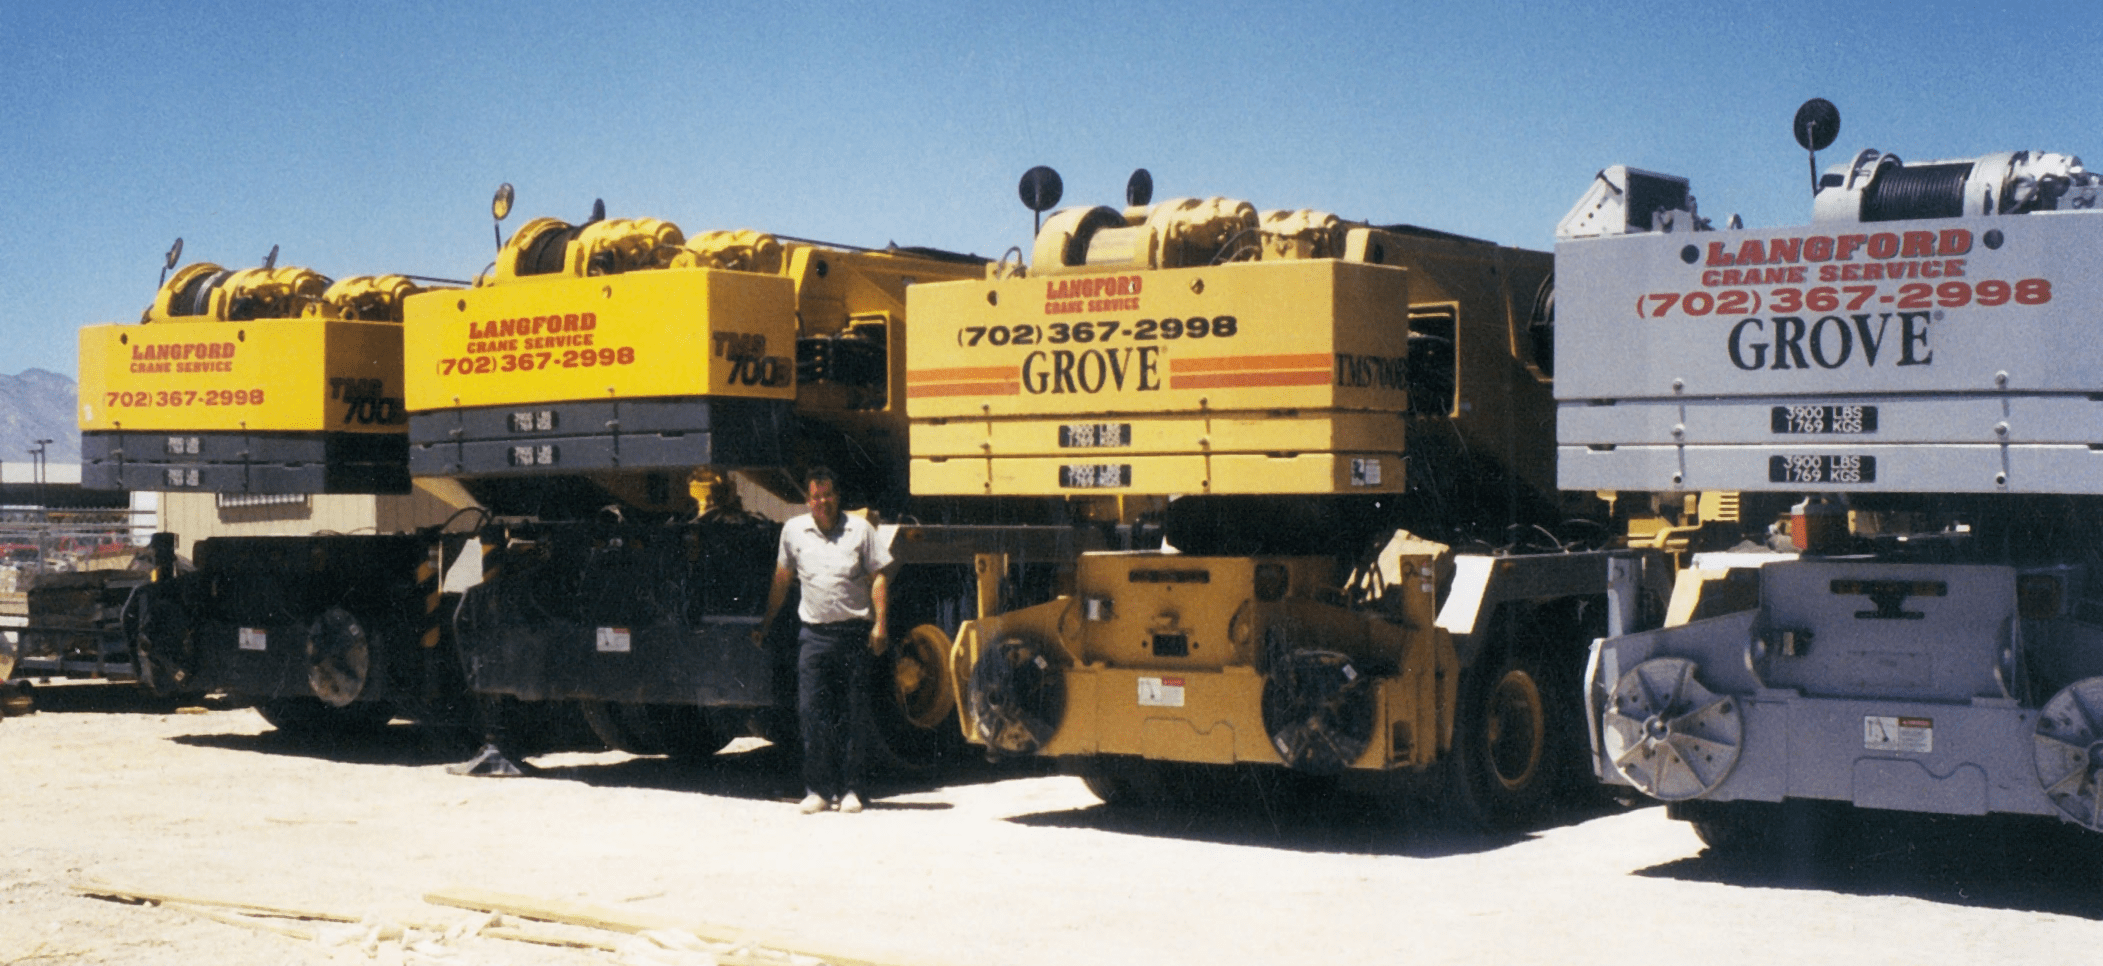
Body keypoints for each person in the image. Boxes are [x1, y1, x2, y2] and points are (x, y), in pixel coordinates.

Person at [755, 467, 892, 814]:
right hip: (813, 636)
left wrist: (880, 626)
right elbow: (782, 579)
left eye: (827, 495)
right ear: (808, 499)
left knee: (852, 713)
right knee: (811, 713)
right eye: (815, 497)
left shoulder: (860, 530)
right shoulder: (793, 531)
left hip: (852, 635)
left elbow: (878, 578)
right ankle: (817, 790)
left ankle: (851, 791)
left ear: (837, 496)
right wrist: (766, 622)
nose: (822, 502)